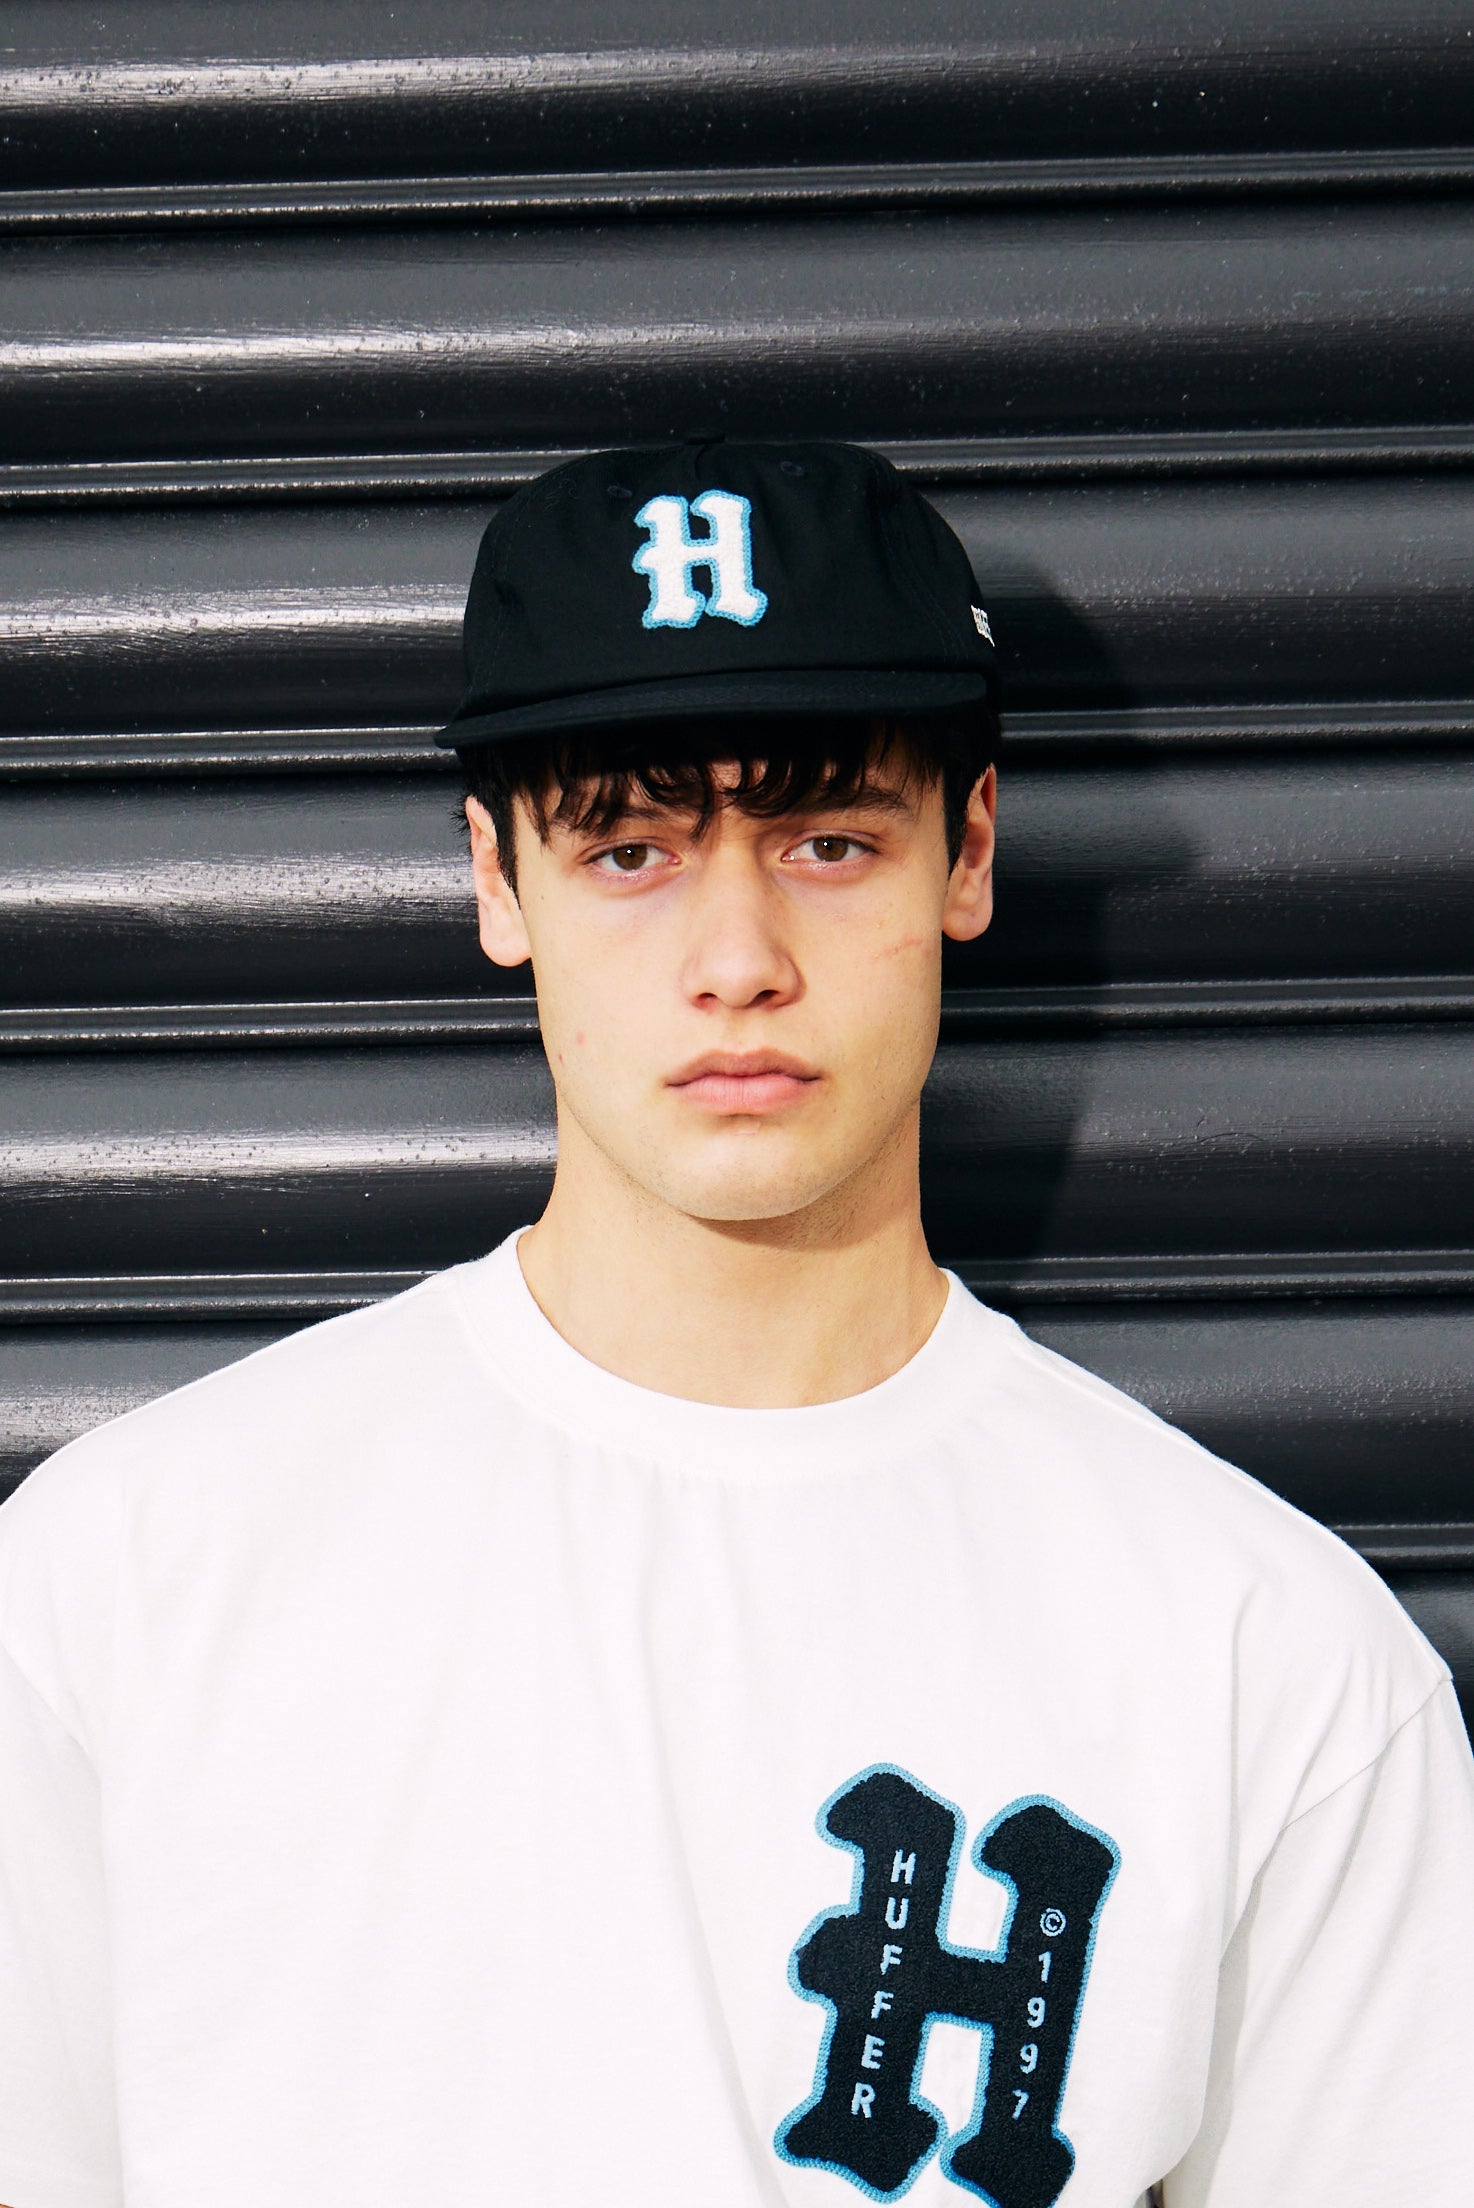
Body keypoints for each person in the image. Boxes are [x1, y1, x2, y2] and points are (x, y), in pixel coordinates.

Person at [0, 438, 1470, 2208]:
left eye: (827, 839)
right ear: (496, 880)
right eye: (627, 849)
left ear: (965, 852)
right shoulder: (127, 1576)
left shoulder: (1263, 1653)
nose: (736, 959)